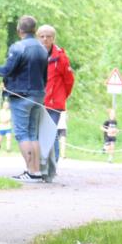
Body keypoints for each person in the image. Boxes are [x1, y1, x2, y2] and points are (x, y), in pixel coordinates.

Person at [0, 16, 49, 182]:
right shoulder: (43, 49)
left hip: (21, 96)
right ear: (35, 30)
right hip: (38, 94)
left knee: (22, 134)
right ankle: (36, 172)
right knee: (33, 134)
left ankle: (31, 172)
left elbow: (8, 70)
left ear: (19, 30)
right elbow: (45, 75)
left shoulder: (18, 47)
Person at [37, 25, 75, 163]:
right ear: (37, 37)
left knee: (51, 133)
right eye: (42, 36)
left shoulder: (60, 57)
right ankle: (38, 165)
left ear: (53, 38)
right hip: (36, 101)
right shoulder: (32, 54)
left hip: (54, 104)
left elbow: (69, 81)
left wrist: (61, 96)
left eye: (48, 36)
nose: (45, 39)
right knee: (36, 134)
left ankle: (52, 165)